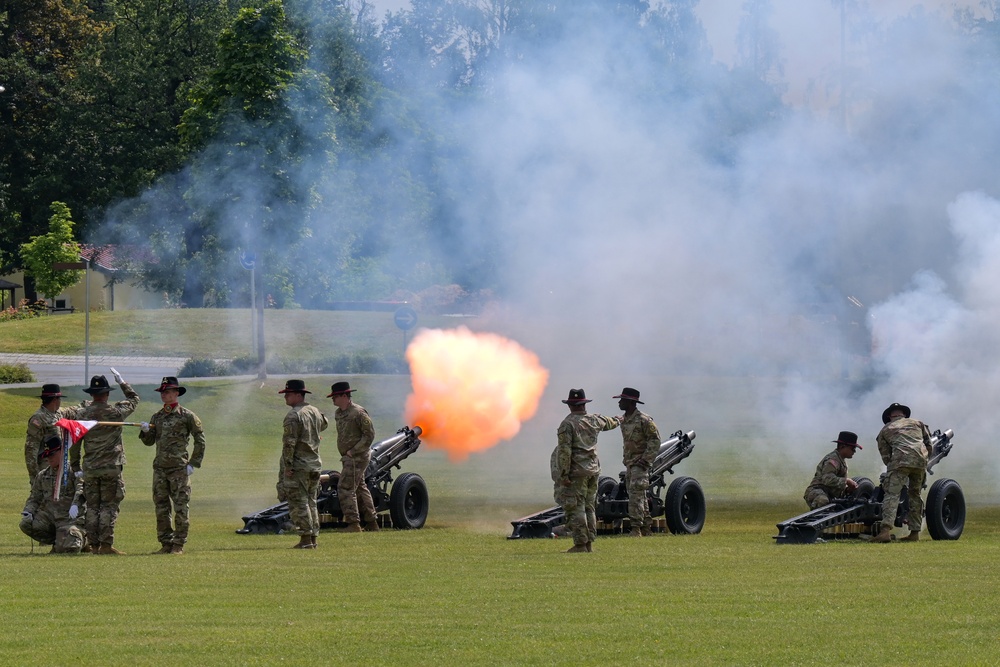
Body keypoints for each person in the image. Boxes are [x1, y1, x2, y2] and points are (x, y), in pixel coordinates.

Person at [71, 371, 139, 555]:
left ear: (91, 394)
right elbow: (134, 399)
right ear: (107, 394)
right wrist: (123, 382)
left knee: (92, 507)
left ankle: (93, 545)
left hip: (91, 468)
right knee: (109, 506)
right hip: (111, 467)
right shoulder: (115, 413)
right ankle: (106, 545)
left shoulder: (82, 414)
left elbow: (75, 442)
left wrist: (76, 466)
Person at [138, 376, 206, 555]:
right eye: (162, 392)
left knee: (181, 507)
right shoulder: (157, 416)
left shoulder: (187, 416)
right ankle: (166, 543)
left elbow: (200, 439)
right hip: (160, 468)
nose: (164, 395)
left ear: (176, 393)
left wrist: (194, 463)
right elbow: (149, 442)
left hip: (178, 469)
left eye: (167, 392)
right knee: (161, 507)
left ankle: (178, 544)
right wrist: (145, 432)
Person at [551, 388, 621, 553]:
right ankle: (589, 544)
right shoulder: (594, 420)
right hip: (593, 471)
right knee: (590, 507)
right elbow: (610, 422)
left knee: (576, 508)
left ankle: (580, 544)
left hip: (576, 473)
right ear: (583, 404)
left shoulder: (567, 424)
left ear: (570, 406)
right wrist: (620, 419)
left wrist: (563, 475)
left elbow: (564, 452)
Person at [278, 379, 328, 549]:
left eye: (289, 394)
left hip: (299, 466)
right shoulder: (314, 411)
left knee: (299, 502)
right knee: (311, 502)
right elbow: (325, 423)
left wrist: (288, 466)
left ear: (299, 395)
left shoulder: (293, 415)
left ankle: (305, 539)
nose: (286, 397)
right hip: (314, 464)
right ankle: (313, 537)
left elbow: (289, 443)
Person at [874, 402, 933, 543]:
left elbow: (885, 455)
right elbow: (929, 444)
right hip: (920, 462)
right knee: (915, 495)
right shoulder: (918, 423)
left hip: (899, 463)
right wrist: (924, 460)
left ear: (889, 416)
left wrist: (892, 466)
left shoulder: (885, 430)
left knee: (892, 494)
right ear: (904, 414)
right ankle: (914, 533)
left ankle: (885, 532)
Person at [20, 435, 87, 553]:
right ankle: (58, 540)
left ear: (62, 452)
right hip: (50, 518)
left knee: (70, 549)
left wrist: (75, 504)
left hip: (68, 519)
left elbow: (81, 489)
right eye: (47, 456)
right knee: (26, 524)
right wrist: (28, 511)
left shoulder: (74, 472)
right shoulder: (43, 475)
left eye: (52, 454)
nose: (49, 459)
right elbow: (34, 498)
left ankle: (84, 541)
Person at [328, 381, 378, 533]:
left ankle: (353, 523)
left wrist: (354, 451)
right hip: (348, 458)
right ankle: (371, 522)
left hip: (357, 457)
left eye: (335, 396)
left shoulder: (358, 412)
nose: (333, 399)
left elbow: (369, 435)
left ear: (345, 396)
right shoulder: (339, 413)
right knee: (360, 488)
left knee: (345, 488)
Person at [614, 387, 662, 537]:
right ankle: (646, 528)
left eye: (622, 400)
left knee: (635, 496)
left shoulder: (644, 420)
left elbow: (655, 441)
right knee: (639, 495)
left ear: (630, 402)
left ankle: (636, 529)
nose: (619, 403)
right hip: (630, 463)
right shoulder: (624, 420)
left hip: (639, 465)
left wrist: (646, 460)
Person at [24, 383, 85, 483]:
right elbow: (30, 451)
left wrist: (87, 404)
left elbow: (74, 411)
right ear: (55, 400)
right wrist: (35, 477)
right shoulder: (38, 419)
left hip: (60, 467)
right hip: (45, 469)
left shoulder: (58, 413)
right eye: (59, 399)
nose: (60, 401)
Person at [803, 431, 862, 509]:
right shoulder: (832, 460)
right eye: (852, 448)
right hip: (816, 491)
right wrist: (847, 481)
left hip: (829, 494)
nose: (854, 451)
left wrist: (848, 490)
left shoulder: (841, 460)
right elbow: (827, 480)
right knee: (822, 501)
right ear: (842, 447)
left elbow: (835, 485)